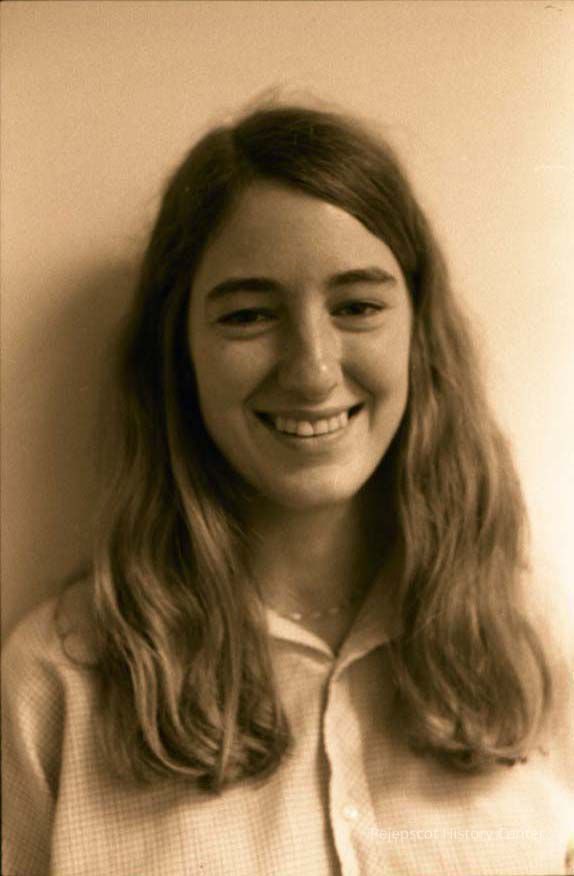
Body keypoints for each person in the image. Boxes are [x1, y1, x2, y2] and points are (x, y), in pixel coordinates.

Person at [2, 103, 573, 876]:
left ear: (420, 333)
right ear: (179, 354)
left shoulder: (537, 652)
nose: (312, 370)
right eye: (247, 315)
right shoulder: (57, 682)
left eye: (357, 307)